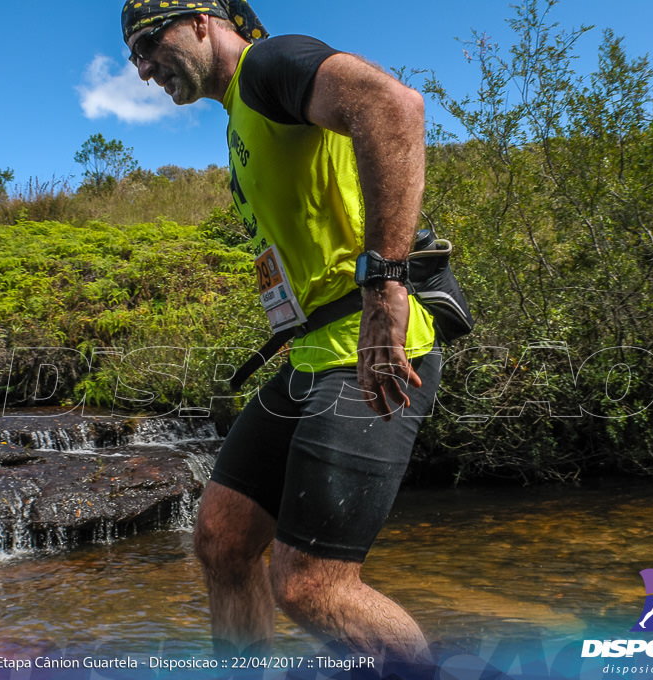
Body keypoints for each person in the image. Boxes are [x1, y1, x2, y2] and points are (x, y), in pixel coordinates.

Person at [120, 0, 442, 664]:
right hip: (315, 353)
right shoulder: (239, 117)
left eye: (150, 41)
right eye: (132, 56)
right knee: (223, 537)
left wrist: (385, 285)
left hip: (371, 344)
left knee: (309, 585)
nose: (144, 67)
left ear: (204, 21)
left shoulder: (269, 64)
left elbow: (392, 107)